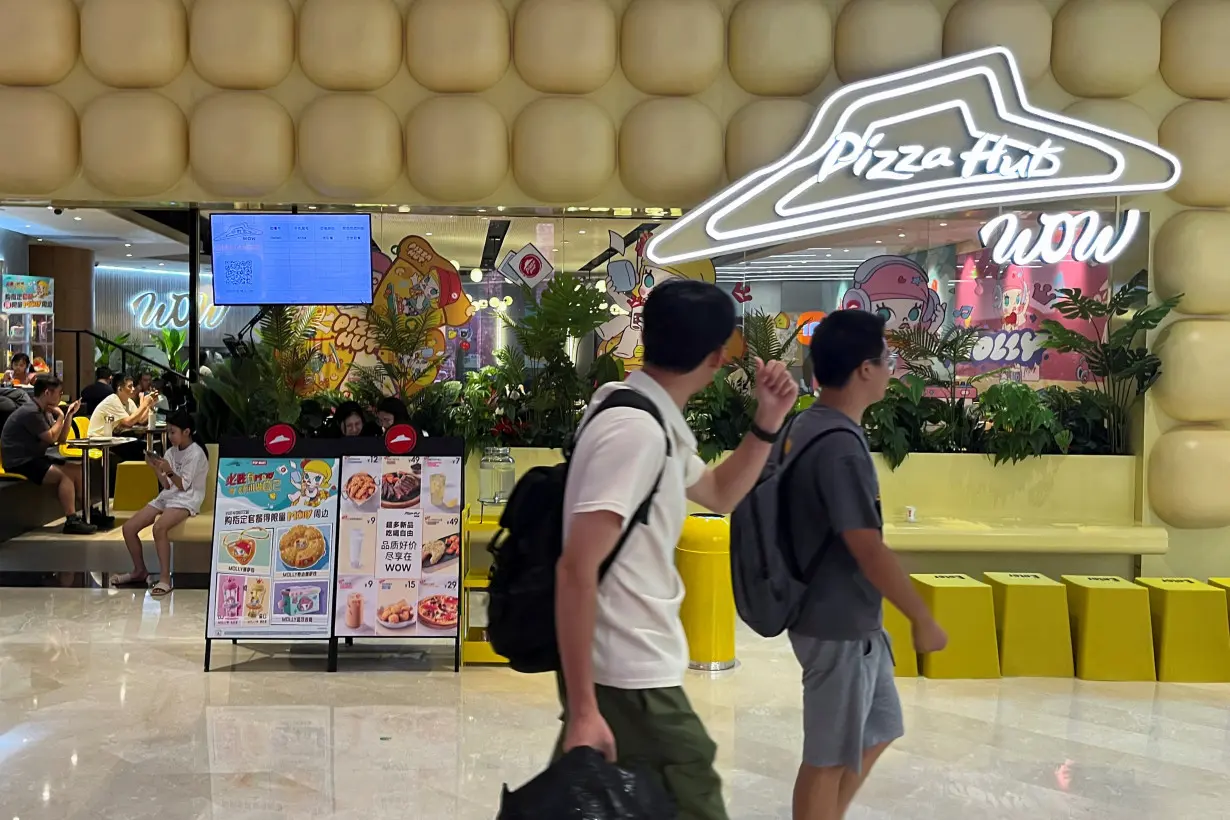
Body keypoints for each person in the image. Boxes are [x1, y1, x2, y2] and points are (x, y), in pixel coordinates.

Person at [555, 279, 798, 819]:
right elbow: (576, 569)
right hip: (627, 674)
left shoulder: (649, 416)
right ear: (716, 358)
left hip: (632, 670)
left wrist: (768, 421)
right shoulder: (633, 429)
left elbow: (718, 493)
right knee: (696, 798)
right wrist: (584, 709)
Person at [786, 310, 947, 820]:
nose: (891, 368)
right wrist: (922, 616)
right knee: (828, 757)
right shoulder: (837, 446)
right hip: (834, 622)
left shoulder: (810, 426)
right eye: (886, 359)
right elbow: (867, 546)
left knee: (878, 727)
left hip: (849, 618)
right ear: (863, 370)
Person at [113, 411, 209, 596]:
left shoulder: (196, 453)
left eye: (173, 432)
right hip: (168, 495)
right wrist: (156, 468)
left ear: (186, 432)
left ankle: (165, 578)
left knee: (159, 528)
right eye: (169, 432)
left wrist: (169, 470)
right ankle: (139, 571)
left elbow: (183, 486)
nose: (170, 436)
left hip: (188, 498)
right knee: (129, 528)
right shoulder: (171, 452)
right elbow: (167, 485)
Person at [0, 375, 95, 534]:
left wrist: (69, 415)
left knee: (77, 471)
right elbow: (50, 437)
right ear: (47, 392)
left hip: (34, 457)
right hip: (20, 461)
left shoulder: (45, 410)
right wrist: (60, 417)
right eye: (59, 392)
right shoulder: (31, 411)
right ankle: (71, 520)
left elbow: (61, 439)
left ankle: (90, 512)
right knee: (64, 477)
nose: (61, 396)